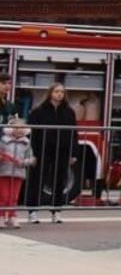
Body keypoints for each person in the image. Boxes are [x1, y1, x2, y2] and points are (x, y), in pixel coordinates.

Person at [25, 83, 78, 224]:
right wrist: (32, 153)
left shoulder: (69, 111)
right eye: (57, 91)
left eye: (62, 92)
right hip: (42, 149)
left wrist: (73, 153)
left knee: (59, 180)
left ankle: (56, 211)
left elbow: (74, 133)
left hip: (62, 150)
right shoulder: (38, 111)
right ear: (50, 93)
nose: (60, 94)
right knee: (37, 179)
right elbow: (32, 133)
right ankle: (33, 211)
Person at [0, 116, 34, 228]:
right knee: (4, 196)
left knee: (14, 197)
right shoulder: (4, 142)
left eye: (21, 127)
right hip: (4, 172)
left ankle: (12, 216)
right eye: (16, 127)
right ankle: (1, 216)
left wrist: (24, 162)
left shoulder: (26, 143)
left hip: (18, 173)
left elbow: (31, 158)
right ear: (10, 128)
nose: (19, 130)